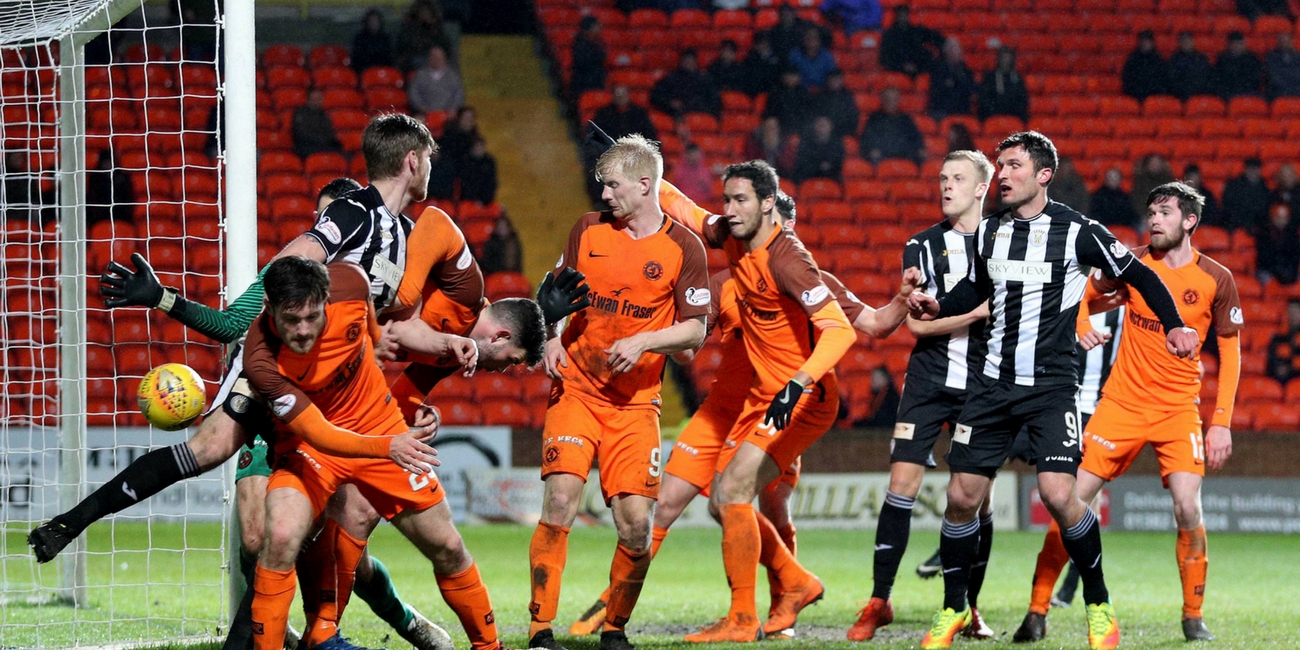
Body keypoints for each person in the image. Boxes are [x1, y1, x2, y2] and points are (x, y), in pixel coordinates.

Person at [29, 114, 440, 572]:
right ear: (412, 160)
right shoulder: (328, 241)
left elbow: (395, 327)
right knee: (224, 473)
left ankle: (345, 630)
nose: (321, 221)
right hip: (281, 377)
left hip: (338, 391)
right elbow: (242, 314)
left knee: (321, 520)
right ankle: (72, 521)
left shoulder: (404, 240)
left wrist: (435, 373)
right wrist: (167, 300)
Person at [568, 188, 921, 641]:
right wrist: (672, 341)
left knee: (766, 504)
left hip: (784, 406)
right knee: (667, 505)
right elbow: (690, 340)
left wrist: (900, 300)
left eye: (786, 233)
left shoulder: (809, 277)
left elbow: (873, 324)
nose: (779, 241)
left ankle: (780, 604)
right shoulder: (725, 283)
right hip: (723, 410)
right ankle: (614, 599)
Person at [908, 131, 1198, 650]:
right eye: (1000, 165)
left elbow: (1143, 277)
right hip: (992, 384)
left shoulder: (1079, 231)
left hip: (1051, 387)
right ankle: (953, 608)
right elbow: (976, 287)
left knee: (1059, 495)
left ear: (1043, 175)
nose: (1002, 174)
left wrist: (1175, 323)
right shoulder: (990, 231)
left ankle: (1099, 604)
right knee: (960, 497)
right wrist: (939, 306)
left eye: (1014, 165)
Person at [1014, 182, 1242, 644]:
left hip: (1178, 409)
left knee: (1186, 505)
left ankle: (1193, 615)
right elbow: (1079, 295)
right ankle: (1037, 610)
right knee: (1068, 503)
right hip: (1121, 404)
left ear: (1189, 222)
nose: (1154, 220)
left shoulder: (1216, 279)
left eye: (1165, 213)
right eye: (1151, 212)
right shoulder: (1131, 264)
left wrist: (1220, 422)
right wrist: (1081, 322)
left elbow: (1232, 356)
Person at [235, 257, 498, 650]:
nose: (303, 331)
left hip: (379, 423)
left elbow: (376, 327)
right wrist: (388, 446)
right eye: (291, 320)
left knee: (447, 545)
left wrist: (383, 343)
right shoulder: (260, 361)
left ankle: (490, 647)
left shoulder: (352, 281)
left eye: (312, 316)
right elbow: (319, 434)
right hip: (312, 446)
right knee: (281, 536)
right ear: (269, 308)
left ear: (326, 300)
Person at [525, 134, 710, 650]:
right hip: (577, 391)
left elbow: (695, 330)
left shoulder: (684, 248)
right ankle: (540, 631)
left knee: (634, 527)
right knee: (560, 500)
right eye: (602, 185)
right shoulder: (587, 229)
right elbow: (557, 294)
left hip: (634, 405)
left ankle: (615, 630)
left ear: (645, 184)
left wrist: (647, 338)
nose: (604, 195)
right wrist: (551, 336)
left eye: (613, 185)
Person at [664, 160, 860, 642]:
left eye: (740, 200)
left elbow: (841, 330)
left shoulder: (788, 258)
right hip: (766, 397)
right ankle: (793, 583)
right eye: (726, 200)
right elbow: (686, 210)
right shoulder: (732, 234)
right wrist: (647, 176)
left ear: (769, 203)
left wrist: (797, 382)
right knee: (722, 502)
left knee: (731, 492)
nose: (728, 210)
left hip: (804, 399)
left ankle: (743, 618)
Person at [847, 149, 998, 642]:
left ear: (981, 188)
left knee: (977, 500)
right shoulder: (923, 246)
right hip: (929, 380)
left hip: (983, 382)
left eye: (958, 178)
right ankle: (879, 599)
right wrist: (977, 313)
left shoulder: (1004, 240)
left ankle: (967, 607)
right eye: (942, 178)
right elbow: (916, 323)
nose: (946, 185)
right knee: (901, 485)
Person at [860, 87, 925, 164]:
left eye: (894, 100)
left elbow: (915, 137)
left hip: (904, 154)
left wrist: (920, 149)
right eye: (888, 100)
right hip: (882, 155)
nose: (891, 103)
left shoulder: (906, 119)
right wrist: (871, 149)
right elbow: (867, 137)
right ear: (882, 100)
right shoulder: (874, 119)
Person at [650, 49, 722, 117]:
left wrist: (702, 107)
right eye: (686, 59)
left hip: (701, 111)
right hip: (678, 112)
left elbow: (715, 100)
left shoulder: (704, 79)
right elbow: (656, 95)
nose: (688, 62)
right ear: (681, 61)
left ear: (695, 61)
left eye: (691, 59)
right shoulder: (672, 77)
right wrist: (670, 102)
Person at [880, 5, 944, 77]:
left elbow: (934, 37)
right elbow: (886, 58)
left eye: (905, 14)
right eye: (901, 14)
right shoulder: (890, 35)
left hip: (920, 69)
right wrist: (902, 66)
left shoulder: (915, 31)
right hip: (898, 72)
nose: (903, 17)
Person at [928, 38, 977, 120]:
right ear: (947, 51)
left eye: (959, 49)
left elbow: (971, 89)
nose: (958, 52)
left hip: (962, 109)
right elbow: (937, 91)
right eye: (954, 49)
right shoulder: (939, 69)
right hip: (943, 110)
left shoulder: (966, 71)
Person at [408, 45, 465, 115]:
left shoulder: (453, 76)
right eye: (434, 57)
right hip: (424, 113)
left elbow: (458, 94)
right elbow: (414, 93)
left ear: (444, 58)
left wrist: (453, 108)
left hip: (448, 115)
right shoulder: (420, 75)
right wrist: (421, 107)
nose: (436, 60)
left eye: (439, 58)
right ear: (429, 58)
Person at [978, 46, 1029, 122]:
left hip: (1014, 117)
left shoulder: (1017, 78)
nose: (1005, 61)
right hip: (992, 116)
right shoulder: (989, 77)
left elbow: (1022, 99)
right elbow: (984, 99)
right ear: (998, 59)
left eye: (1008, 58)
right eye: (1003, 58)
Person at [395, 1, 449, 72]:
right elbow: (409, 45)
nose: (425, 14)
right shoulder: (409, 26)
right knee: (424, 62)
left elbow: (445, 46)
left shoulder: (436, 27)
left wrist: (432, 28)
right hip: (413, 57)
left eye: (428, 11)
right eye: (423, 11)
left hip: (433, 56)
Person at [85, 150, 134, 227]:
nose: (108, 165)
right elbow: (92, 199)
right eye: (106, 163)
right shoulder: (95, 178)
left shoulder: (123, 178)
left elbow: (129, 199)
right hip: (99, 217)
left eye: (110, 162)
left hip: (121, 215)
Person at [592, 86, 658, 143]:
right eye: (618, 95)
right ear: (613, 96)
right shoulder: (604, 113)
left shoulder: (639, 113)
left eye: (623, 95)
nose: (621, 98)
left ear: (628, 95)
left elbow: (649, 134)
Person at [1221, 157, 1270, 232]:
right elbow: (1228, 206)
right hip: (1236, 225)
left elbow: (1265, 210)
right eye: (1250, 168)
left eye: (1255, 168)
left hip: (1258, 227)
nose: (1253, 171)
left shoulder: (1265, 189)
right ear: (1245, 169)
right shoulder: (1234, 186)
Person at [292, 88, 343, 159]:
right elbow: (302, 133)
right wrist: (320, 139)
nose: (317, 101)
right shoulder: (301, 113)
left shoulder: (324, 116)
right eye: (315, 99)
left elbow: (330, 133)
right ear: (308, 100)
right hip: (307, 147)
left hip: (324, 145)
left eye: (319, 99)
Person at [1256, 203, 1300, 285]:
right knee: (1266, 280)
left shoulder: (1292, 235)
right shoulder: (1265, 233)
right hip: (1268, 270)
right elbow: (1264, 258)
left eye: (1284, 218)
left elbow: (1295, 256)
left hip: (1288, 270)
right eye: (1278, 218)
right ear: (1272, 217)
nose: (1281, 221)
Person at [792, 115, 845, 182]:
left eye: (824, 125)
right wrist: (819, 166)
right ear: (815, 126)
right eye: (820, 125)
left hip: (832, 176)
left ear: (831, 126)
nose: (822, 128)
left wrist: (829, 165)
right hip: (808, 177)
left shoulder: (837, 144)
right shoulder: (806, 143)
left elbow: (838, 161)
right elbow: (803, 162)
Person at [762, 67, 812, 135]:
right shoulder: (776, 91)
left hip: (798, 124)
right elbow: (771, 111)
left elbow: (807, 110)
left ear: (798, 78)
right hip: (780, 124)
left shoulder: (803, 92)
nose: (791, 78)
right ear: (783, 77)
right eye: (788, 75)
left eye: (793, 76)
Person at [813, 69, 861, 140]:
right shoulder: (820, 96)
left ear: (841, 80)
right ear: (827, 81)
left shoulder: (847, 96)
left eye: (837, 79)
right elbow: (816, 115)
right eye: (832, 79)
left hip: (842, 131)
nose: (834, 82)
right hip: (824, 131)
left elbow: (853, 117)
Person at [1167, 32, 1217, 100]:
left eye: (1188, 40)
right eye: (1183, 41)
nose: (1186, 43)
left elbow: (1207, 76)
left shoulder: (1201, 58)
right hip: (1180, 95)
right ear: (1179, 43)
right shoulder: (1174, 59)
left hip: (1200, 94)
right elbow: (1173, 79)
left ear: (1193, 41)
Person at [1122, 30, 1169, 100]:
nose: (1145, 43)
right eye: (1143, 41)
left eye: (1147, 41)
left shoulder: (1158, 60)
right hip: (1135, 96)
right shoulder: (1132, 59)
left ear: (1152, 43)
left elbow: (1163, 79)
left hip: (1154, 96)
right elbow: (1127, 79)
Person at [1215, 31, 1263, 99]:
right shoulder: (1222, 58)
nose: (1237, 46)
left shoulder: (1252, 58)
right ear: (1229, 45)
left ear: (1244, 44)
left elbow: (1255, 78)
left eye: (1239, 43)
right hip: (1229, 91)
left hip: (1249, 90)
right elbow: (1219, 78)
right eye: (1234, 44)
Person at [1130, 154, 1175, 222]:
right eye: (1152, 163)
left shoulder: (1169, 181)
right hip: (1146, 216)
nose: (1155, 165)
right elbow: (1137, 200)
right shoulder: (1140, 181)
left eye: (1157, 163)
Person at [571, 15, 607, 95]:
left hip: (595, 81)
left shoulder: (596, 42)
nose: (599, 29)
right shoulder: (580, 44)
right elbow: (583, 62)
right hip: (584, 83)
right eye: (597, 26)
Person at [1266, 299, 1300, 384]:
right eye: (1290, 312)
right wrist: (1278, 368)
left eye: (1296, 312)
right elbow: (1271, 361)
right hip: (1282, 380)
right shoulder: (1279, 336)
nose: (1292, 316)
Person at [739, 32, 783, 97]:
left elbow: (780, 75)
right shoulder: (749, 59)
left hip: (774, 92)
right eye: (760, 43)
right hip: (755, 92)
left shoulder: (778, 57)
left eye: (765, 42)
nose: (763, 45)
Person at [351, 9, 394, 74]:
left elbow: (389, 57)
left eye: (375, 21)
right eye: (371, 21)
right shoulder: (359, 38)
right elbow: (357, 58)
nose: (373, 23)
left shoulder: (385, 37)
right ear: (367, 22)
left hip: (382, 69)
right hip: (364, 69)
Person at [457, 137, 497, 204]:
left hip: (486, 201)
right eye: (477, 147)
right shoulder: (466, 162)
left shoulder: (489, 162)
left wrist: (485, 199)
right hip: (469, 200)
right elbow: (465, 183)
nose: (479, 149)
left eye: (481, 147)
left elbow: (491, 182)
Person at [1267, 33, 1300, 99]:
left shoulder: (1298, 56)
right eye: (1282, 41)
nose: (1284, 44)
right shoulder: (1271, 57)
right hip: (1278, 90)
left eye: (1287, 41)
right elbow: (1273, 76)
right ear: (1278, 42)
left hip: (1296, 88)